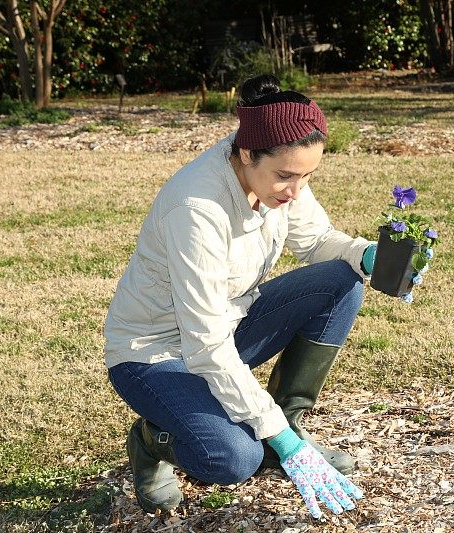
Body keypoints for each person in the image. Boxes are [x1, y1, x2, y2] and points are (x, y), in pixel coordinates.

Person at [103, 74, 380, 519]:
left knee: (339, 281)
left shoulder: (275, 174)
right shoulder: (197, 209)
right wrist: (273, 434)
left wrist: (364, 254)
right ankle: (150, 441)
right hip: (153, 354)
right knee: (232, 458)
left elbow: (316, 239)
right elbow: (205, 344)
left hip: (227, 327)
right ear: (247, 153)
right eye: (286, 177)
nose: (294, 191)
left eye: (307, 177)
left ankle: (287, 427)